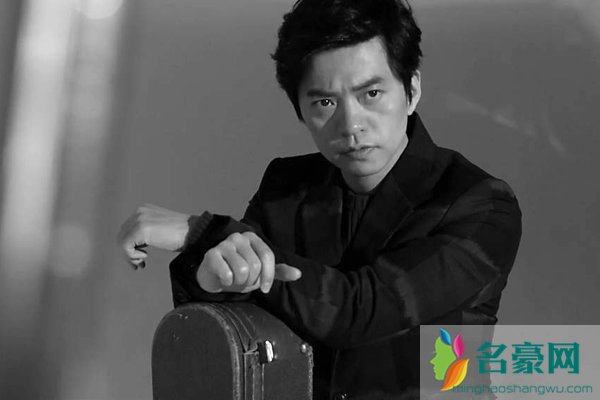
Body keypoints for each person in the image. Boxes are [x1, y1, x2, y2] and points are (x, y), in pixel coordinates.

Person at [118, 0, 522, 398]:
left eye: (371, 93)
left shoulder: (480, 203)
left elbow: (359, 311)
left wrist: (200, 232)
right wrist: (215, 276)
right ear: (300, 110)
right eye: (325, 102)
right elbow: (234, 316)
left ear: (411, 90)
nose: (351, 124)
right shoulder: (287, 188)